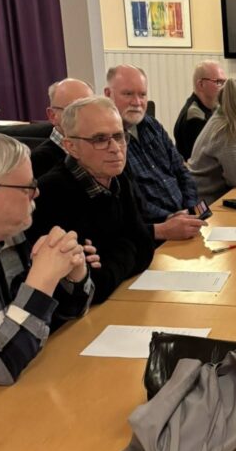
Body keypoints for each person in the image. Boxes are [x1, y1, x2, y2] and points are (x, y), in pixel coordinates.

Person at [0, 132, 94, 388]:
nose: (37, 193)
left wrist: (73, 275)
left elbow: (59, 319)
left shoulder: (10, 236)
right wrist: (42, 282)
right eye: (27, 187)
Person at [29, 97, 155, 305]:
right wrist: (125, 249)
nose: (115, 148)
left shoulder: (119, 178)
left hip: (123, 299)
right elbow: (88, 288)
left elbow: (144, 248)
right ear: (71, 147)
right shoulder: (51, 194)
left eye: (119, 136)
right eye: (100, 139)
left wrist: (110, 258)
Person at [104, 65, 204, 242]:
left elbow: (181, 171)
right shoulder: (108, 142)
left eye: (142, 94)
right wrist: (170, 218)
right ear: (108, 94)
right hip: (153, 234)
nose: (137, 102)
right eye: (128, 94)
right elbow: (133, 201)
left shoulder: (152, 126)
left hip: (185, 222)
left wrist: (190, 210)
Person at [31, 77, 94, 177]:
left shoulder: (104, 150)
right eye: (73, 110)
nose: (85, 116)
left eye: (90, 108)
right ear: (52, 116)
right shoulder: (36, 162)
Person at [173, 60, 227, 161]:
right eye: (218, 82)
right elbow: (204, 159)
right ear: (201, 84)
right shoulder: (194, 116)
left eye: (225, 82)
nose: (224, 88)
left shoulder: (212, 108)